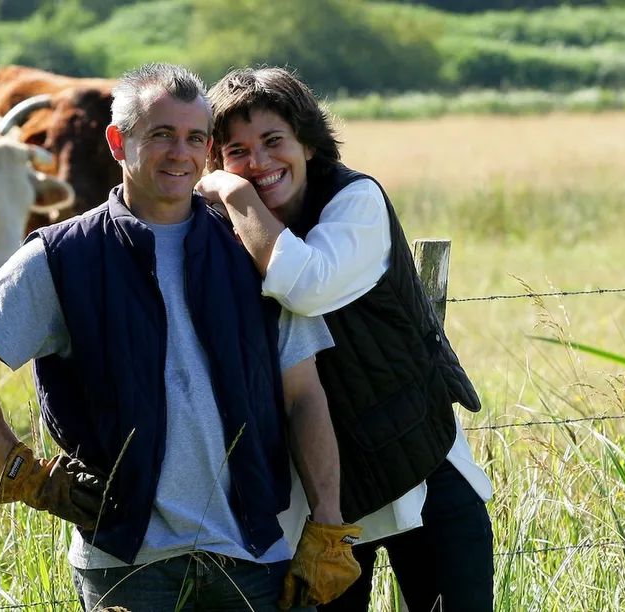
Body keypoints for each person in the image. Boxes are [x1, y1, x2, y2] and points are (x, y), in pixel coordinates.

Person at [0, 62, 363, 612]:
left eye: (195, 138)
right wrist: (21, 471)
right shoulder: (64, 258)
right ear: (117, 141)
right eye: (161, 135)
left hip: (253, 556)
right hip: (127, 566)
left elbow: (303, 394)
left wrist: (325, 527)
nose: (181, 153)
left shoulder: (251, 252)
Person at [195, 66, 495, 612]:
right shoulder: (218, 234)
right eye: (236, 151)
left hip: (420, 464)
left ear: (308, 142)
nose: (259, 162)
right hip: (317, 500)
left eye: (273, 141)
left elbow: (306, 285)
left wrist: (235, 192)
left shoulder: (355, 201)